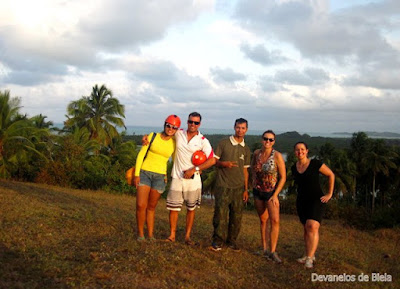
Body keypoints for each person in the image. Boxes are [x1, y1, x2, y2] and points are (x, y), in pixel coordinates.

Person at [165, 112, 216, 245]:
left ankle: (187, 236)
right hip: (177, 177)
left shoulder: (203, 141)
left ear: (200, 124)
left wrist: (194, 169)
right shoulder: (178, 133)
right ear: (187, 122)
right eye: (190, 122)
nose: (193, 125)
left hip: (193, 180)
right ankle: (172, 235)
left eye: (196, 122)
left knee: (190, 208)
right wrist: (147, 138)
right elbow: (165, 133)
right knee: (173, 208)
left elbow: (212, 160)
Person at [134, 115, 181, 241]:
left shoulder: (174, 143)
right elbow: (141, 154)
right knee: (140, 205)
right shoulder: (152, 136)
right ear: (164, 125)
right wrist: (136, 174)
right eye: (168, 125)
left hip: (160, 177)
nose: (170, 129)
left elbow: (176, 160)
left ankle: (150, 234)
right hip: (144, 173)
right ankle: (140, 234)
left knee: (151, 207)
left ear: (177, 129)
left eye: (174, 127)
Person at [291, 141, 335, 269]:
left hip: (316, 199)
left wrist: (330, 193)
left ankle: (310, 258)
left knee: (312, 226)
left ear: (307, 151)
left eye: (302, 149)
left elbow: (330, 174)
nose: (300, 152)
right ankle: (308, 254)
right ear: (295, 152)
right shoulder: (294, 167)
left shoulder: (315, 163)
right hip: (302, 200)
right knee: (306, 228)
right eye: (297, 150)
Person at [210, 118, 251, 252]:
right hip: (223, 185)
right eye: (238, 127)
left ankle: (232, 240)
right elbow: (214, 162)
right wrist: (224, 164)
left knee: (236, 216)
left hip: (238, 187)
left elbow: (245, 170)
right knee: (220, 215)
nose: (240, 130)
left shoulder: (246, 149)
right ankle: (218, 240)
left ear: (246, 130)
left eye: (243, 128)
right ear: (234, 127)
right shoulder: (223, 143)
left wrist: (246, 189)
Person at [251, 130, 286, 262]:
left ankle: (273, 251)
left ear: (274, 142)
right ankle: (264, 248)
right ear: (262, 139)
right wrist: (253, 182)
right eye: (266, 139)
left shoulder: (276, 156)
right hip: (258, 191)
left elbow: (283, 177)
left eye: (271, 140)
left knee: (275, 221)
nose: (268, 142)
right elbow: (253, 169)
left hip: (271, 193)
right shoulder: (256, 153)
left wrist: (276, 195)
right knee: (263, 220)